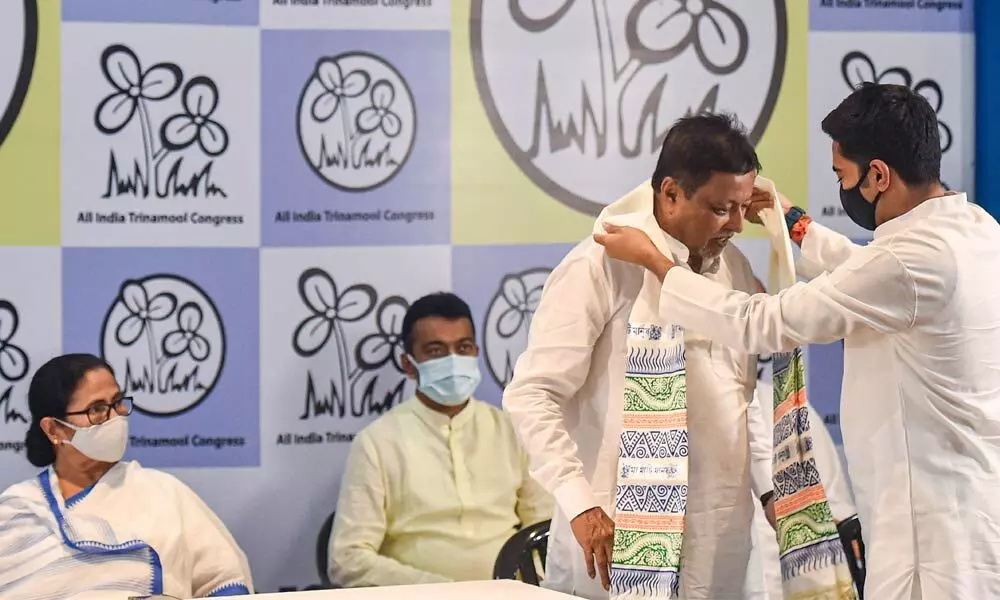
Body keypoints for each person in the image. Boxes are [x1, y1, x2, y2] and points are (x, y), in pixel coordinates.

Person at [594, 83, 1000, 599]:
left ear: (878, 175)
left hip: (930, 538)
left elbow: (765, 322)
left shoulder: (907, 262)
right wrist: (792, 221)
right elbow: (869, 275)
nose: (842, 188)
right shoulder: (977, 230)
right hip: (964, 511)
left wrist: (658, 263)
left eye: (842, 176)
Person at [503, 114, 777, 600]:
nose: (736, 224)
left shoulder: (733, 265)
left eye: (740, 207)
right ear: (670, 193)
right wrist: (580, 504)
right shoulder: (599, 262)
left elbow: (743, 398)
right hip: (614, 539)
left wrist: (772, 492)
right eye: (720, 209)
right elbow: (533, 395)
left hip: (722, 543)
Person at [328, 292, 553, 587]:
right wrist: (443, 590)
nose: (453, 360)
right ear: (408, 364)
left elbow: (544, 533)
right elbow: (347, 559)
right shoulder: (376, 443)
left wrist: (515, 586)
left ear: (476, 352)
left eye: (463, 347)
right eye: (436, 351)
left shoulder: (512, 430)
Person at [0, 353, 252, 600]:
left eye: (118, 402)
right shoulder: (16, 511)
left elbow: (226, 582)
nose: (115, 418)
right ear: (54, 429)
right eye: (97, 409)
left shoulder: (164, 493)